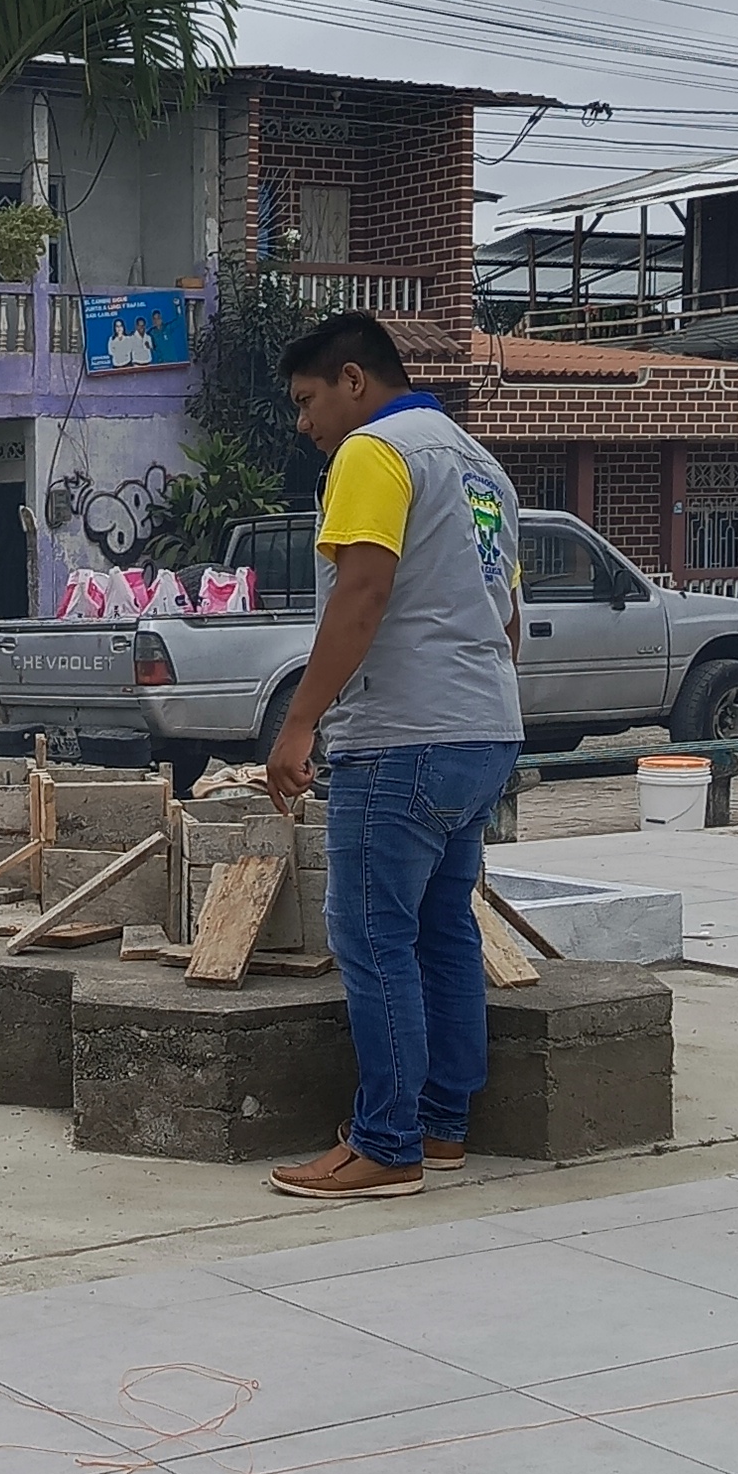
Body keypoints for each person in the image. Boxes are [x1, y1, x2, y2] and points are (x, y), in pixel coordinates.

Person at [260, 312, 523, 1196]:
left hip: (403, 735)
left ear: (353, 380)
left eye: (308, 401)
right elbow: (507, 619)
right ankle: (442, 1127)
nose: (305, 423)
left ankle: (385, 1144)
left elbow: (363, 591)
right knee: (444, 927)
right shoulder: (482, 467)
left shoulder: (374, 453)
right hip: (483, 728)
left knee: (372, 935)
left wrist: (299, 724)